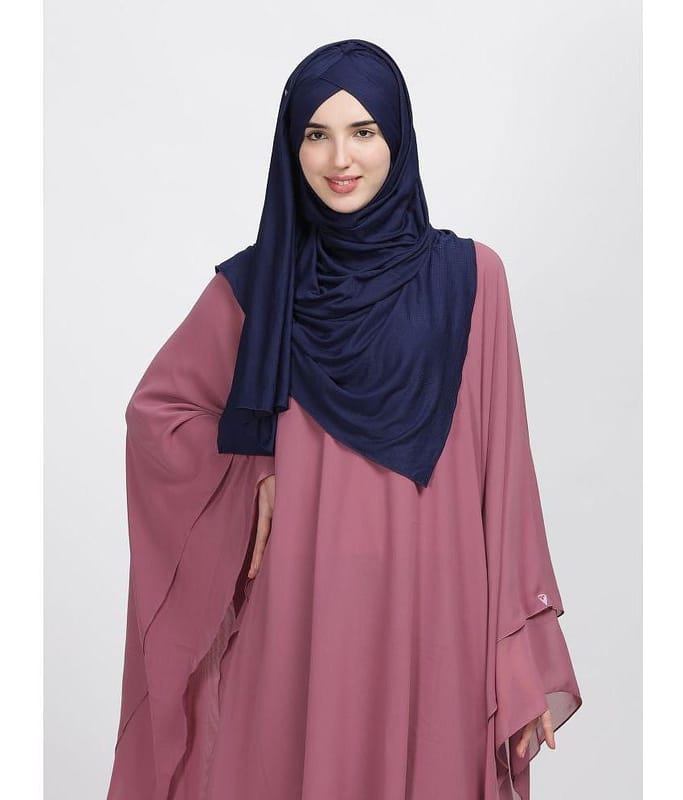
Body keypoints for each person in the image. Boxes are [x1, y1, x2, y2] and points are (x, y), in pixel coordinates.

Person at [106, 39, 582, 800]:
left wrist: (517, 655)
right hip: (298, 620)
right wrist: (251, 467)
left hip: (436, 616)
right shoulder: (257, 290)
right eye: (315, 135)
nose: (339, 158)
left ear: (397, 135)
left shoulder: (472, 279)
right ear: (290, 147)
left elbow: (507, 479)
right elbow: (157, 415)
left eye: (362, 131)